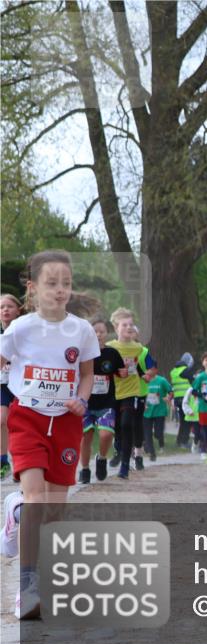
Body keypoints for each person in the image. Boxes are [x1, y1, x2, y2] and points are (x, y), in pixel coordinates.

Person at [0, 250, 99, 619]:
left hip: (67, 422)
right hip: (27, 417)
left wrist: (82, 400)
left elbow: (86, 374)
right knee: (37, 499)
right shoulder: (20, 328)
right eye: (52, 283)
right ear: (33, 287)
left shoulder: (82, 330)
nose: (60, 290)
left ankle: (14, 509)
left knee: (54, 510)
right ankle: (27, 587)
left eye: (67, 284)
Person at [107, 307, 156, 476]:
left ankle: (125, 466)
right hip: (113, 393)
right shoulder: (109, 347)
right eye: (124, 325)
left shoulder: (138, 348)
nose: (129, 327)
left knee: (128, 424)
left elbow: (143, 366)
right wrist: (115, 371)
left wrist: (147, 374)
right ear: (115, 328)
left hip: (131, 392)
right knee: (118, 427)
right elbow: (103, 368)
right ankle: (118, 447)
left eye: (131, 325)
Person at [79, 318, 125, 483]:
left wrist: (124, 373)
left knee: (106, 435)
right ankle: (84, 470)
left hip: (106, 403)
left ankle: (102, 458)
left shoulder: (112, 353)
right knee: (86, 436)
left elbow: (121, 371)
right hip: (85, 403)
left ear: (107, 334)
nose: (98, 334)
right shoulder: (81, 352)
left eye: (101, 331)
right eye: (94, 331)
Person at [1, 293, 25, 480]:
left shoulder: (23, 334)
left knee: (18, 425)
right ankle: (3, 461)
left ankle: (21, 463)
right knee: (1, 421)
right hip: (2, 385)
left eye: (9, 306)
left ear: (18, 310)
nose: (5, 310)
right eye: (1, 307)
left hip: (21, 386)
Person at [142, 369, 173, 457]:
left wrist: (169, 398)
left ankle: (161, 445)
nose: (148, 371)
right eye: (147, 369)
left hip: (160, 411)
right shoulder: (143, 380)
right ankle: (148, 448)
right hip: (146, 411)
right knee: (147, 432)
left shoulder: (162, 380)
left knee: (158, 433)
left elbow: (170, 392)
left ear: (155, 370)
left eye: (150, 369)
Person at [191, 352, 207, 462]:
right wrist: (205, 396)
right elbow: (194, 392)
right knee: (205, 430)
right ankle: (204, 450)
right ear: (203, 363)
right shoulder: (200, 377)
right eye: (206, 360)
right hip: (204, 408)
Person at [170, 353, 196, 447]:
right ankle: (183, 442)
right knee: (187, 421)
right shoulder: (186, 370)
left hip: (178, 399)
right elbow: (194, 381)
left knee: (183, 421)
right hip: (186, 399)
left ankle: (180, 441)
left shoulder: (174, 371)